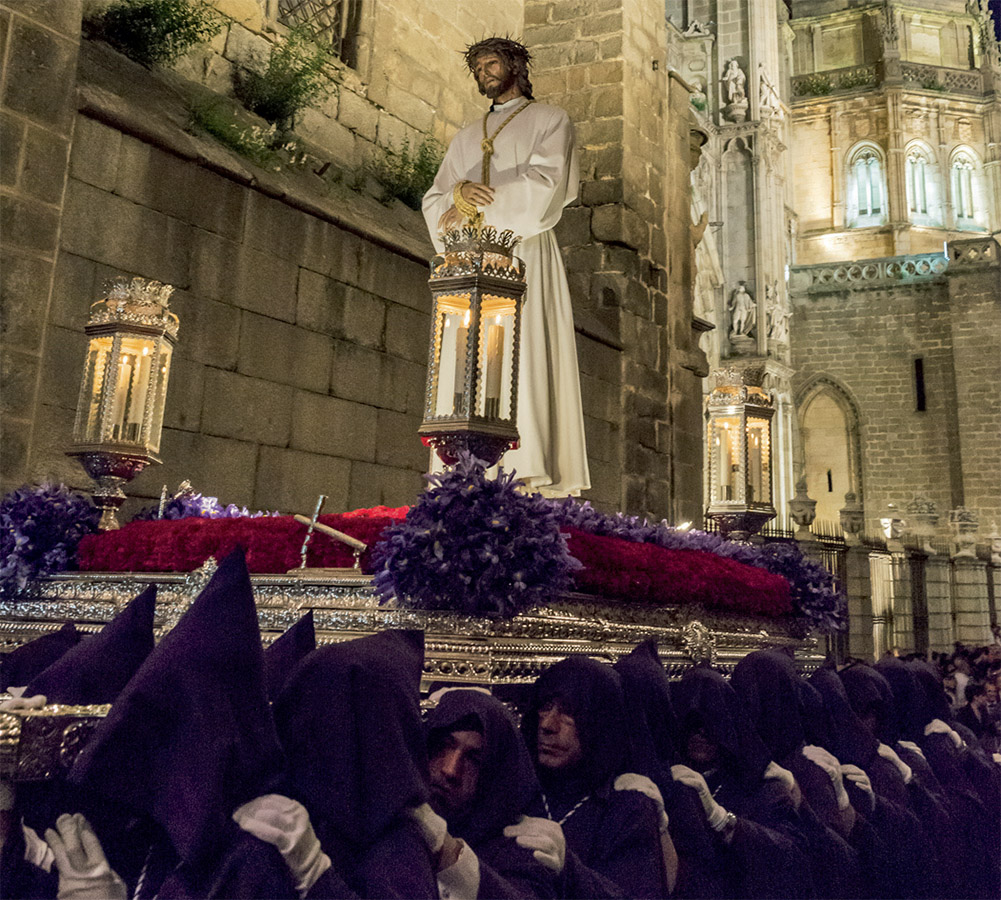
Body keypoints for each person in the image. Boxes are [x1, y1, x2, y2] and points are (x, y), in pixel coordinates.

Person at [422, 37, 589, 497]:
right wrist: (457, 198)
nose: (484, 72)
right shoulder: (464, 135)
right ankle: (462, 466)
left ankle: (527, 468)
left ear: (515, 65)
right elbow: (436, 197)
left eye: (491, 63)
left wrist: (478, 205)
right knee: (466, 358)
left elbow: (546, 183)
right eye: (477, 68)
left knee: (524, 352)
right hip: (469, 258)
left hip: (524, 251)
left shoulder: (550, 119)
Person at [520, 655, 673, 898]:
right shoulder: (516, 790)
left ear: (601, 723)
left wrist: (570, 870)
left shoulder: (627, 808)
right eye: (545, 707)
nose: (548, 724)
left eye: (569, 712)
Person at [425, 688, 563, 898]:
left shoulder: (520, 852)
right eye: (444, 747)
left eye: (473, 759)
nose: (450, 769)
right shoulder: (398, 828)